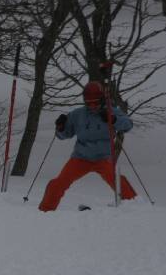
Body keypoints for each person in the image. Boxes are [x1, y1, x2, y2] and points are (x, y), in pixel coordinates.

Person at [38, 80, 137, 212]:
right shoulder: (77, 114)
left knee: (119, 182)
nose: (92, 106)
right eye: (89, 103)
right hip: (80, 158)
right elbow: (64, 135)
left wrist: (113, 119)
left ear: (102, 99)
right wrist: (61, 128)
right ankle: (45, 211)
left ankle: (135, 208)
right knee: (59, 183)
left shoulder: (111, 111)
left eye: (95, 102)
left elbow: (128, 125)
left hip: (103, 158)